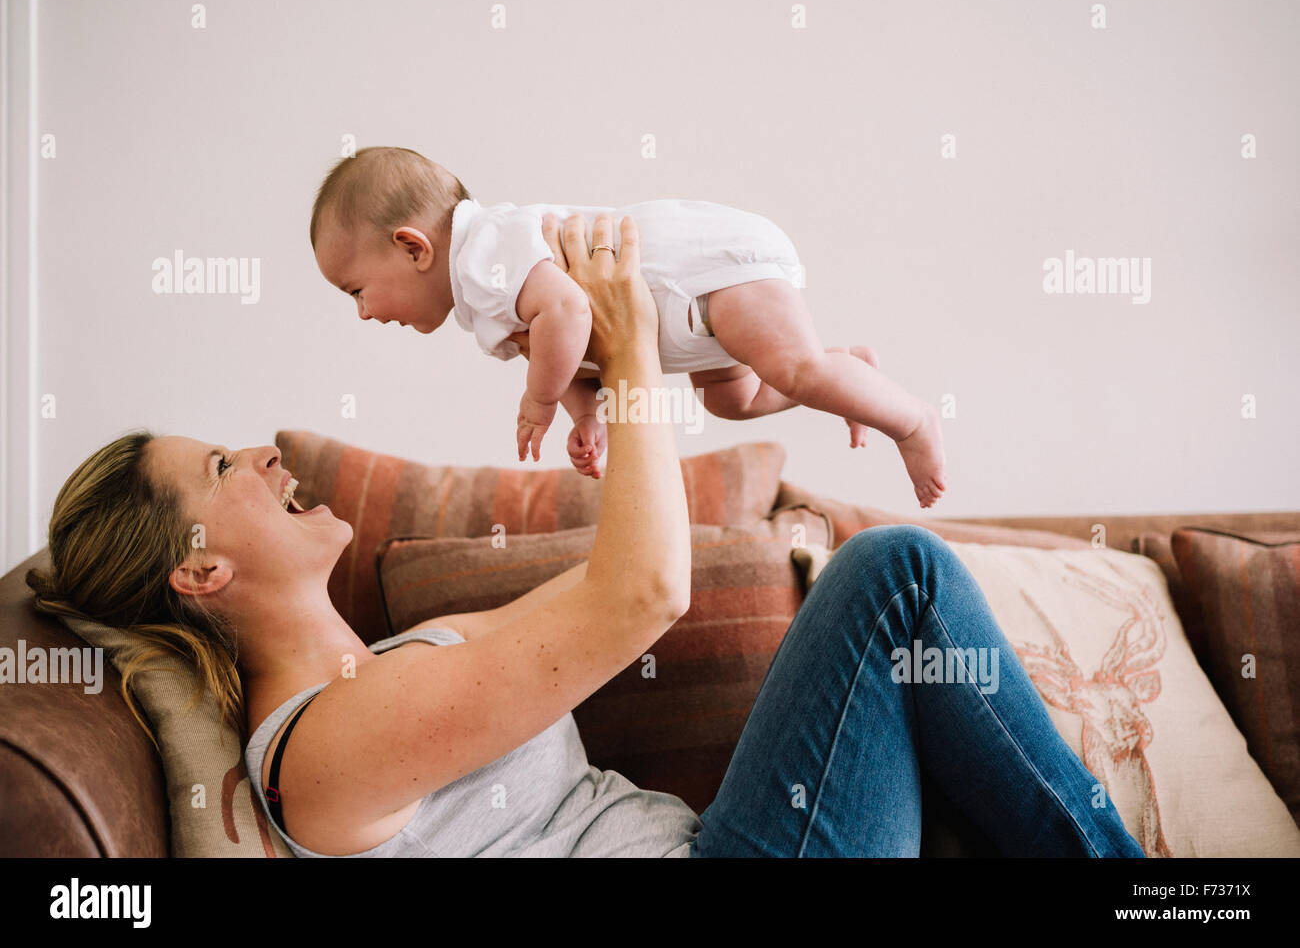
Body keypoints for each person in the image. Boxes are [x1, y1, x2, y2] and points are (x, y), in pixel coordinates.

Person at [27, 212, 1141, 857]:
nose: (262, 453)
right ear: (199, 567)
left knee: (900, 617)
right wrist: (634, 344)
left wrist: (635, 378)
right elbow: (639, 597)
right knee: (893, 574)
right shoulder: (314, 754)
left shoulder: (398, 656)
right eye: (221, 467)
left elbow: (616, 586)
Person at [309, 146, 947, 508]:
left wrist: (538, 400)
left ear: (413, 247)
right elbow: (576, 349)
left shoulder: (482, 254)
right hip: (687, 320)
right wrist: (584, 416)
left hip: (703, 274)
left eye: (357, 291)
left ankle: (912, 419)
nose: (364, 313)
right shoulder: (482, 293)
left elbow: (569, 312)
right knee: (735, 399)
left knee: (793, 371)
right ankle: (848, 367)